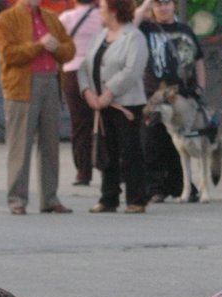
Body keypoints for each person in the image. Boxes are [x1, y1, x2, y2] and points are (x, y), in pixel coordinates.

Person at [0, 0, 75, 214]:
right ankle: (17, 199)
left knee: (51, 144)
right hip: (22, 86)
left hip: (50, 81)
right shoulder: (8, 18)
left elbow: (69, 50)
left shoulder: (51, 18)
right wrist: (39, 45)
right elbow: (8, 54)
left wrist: (57, 47)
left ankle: (50, 197)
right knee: (20, 145)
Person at [80, 0, 148, 212]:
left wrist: (108, 93)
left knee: (130, 150)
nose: (99, 12)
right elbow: (85, 65)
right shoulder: (100, 35)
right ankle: (109, 197)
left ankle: (136, 198)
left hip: (126, 105)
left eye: (102, 8)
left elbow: (131, 71)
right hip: (101, 104)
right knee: (106, 151)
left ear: (114, 10)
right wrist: (88, 92)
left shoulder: (134, 37)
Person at [135, 0, 204, 203]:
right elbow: (130, 25)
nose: (163, 8)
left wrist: (200, 86)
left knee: (179, 141)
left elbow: (199, 58)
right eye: (158, 4)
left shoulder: (184, 29)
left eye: (166, 3)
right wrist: (145, 5)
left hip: (181, 93)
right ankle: (155, 187)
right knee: (152, 141)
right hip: (154, 94)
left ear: (174, 5)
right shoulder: (146, 28)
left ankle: (179, 185)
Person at [60, 0, 103, 186]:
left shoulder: (65, 18)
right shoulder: (103, 15)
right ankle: (110, 166)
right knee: (105, 121)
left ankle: (83, 172)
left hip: (72, 71)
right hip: (99, 71)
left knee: (79, 124)